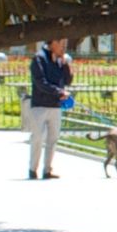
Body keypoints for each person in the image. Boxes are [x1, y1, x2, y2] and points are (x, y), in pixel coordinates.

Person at [23, 37, 73, 179]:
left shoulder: (60, 60)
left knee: (53, 138)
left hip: (55, 105)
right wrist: (58, 92)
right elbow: (40, 82)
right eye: (61, 44)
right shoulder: (39, 59)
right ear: (53, 42)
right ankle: (33, 170)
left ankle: (47, 170)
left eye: (65, 44)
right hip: (40, 105)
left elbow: (68, 80)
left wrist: (66, 65)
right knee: (38, 137)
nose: (64, 47)